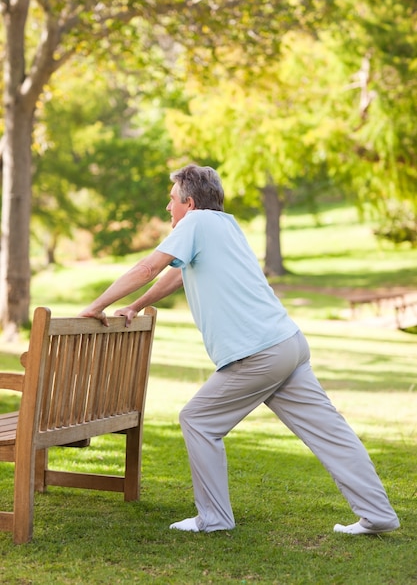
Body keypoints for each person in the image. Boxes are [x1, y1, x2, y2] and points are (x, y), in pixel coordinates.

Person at [79, 163, 400, 536]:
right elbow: (175, 275)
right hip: (288, 344)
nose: (169, 209)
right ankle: (378, 514)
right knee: (331, 433)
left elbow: (148, 266)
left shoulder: (195, 224)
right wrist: (135, 306)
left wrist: (96, 305)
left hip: (258, 353)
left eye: (171, 201)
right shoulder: (225, 225)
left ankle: (214, 518)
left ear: (190, 202)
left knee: (198, 420)